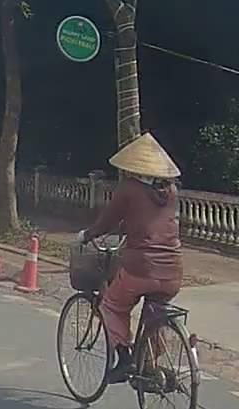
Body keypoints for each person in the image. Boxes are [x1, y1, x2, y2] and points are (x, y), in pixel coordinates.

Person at [79, 132, 184, 383]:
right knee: (156, 314)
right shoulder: (170, 190)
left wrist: (87, 235)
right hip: (173, 271)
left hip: (141, 267)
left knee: (111, 305)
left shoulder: (129, 189)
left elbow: (107, 221)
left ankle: (125, 359)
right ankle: (149, 365)